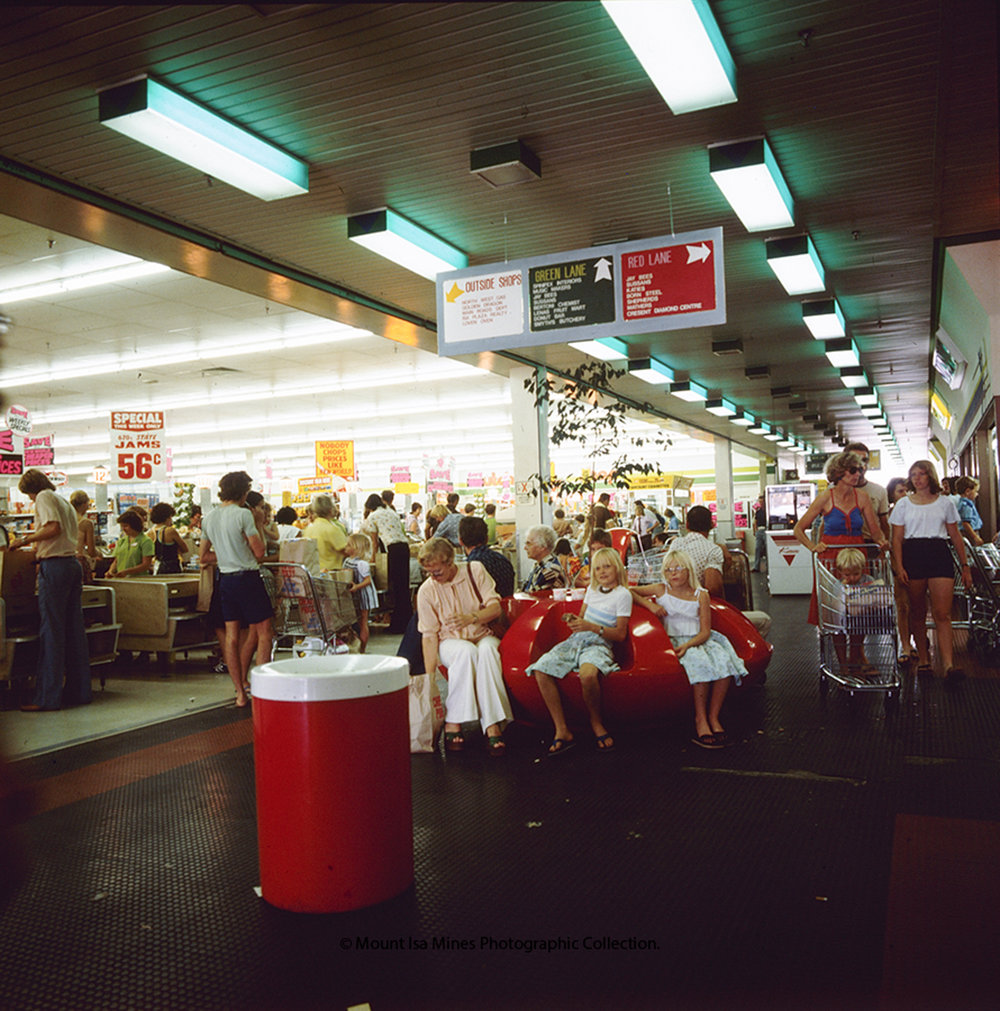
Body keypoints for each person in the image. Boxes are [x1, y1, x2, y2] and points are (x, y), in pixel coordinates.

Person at [631, 548, 746, 749]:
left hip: (697, 640)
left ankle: (714, 715)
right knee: (700, 665)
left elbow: (705, 631)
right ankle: (700, 718)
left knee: (725, 663)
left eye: (678, 568)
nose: (673, 573)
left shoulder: (701, 595)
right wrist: (650, 606)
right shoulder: (661, 589)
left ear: (689, 571)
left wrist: (689, 644)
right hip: (673, 641)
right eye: (668, 570)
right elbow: (629, 590)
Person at [528, 546, 632, 755]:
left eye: (607, 567)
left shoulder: (623, 595)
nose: (602, 572)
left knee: (587, 674)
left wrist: (590, 627)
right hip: (577, 639)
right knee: (540, 669)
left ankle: (596, 722)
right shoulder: (592, 591)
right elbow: (582, 619)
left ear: (617, 569)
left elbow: (620, 634)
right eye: (597, 568)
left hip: (600, 643)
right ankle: (561, 728)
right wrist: (574, 622)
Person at [417, 537, 511, 755]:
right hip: (450, 641)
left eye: (437, 572)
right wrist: (429, 679)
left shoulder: (475, 570)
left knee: (488, 651)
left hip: (482, 633)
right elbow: (429, 636)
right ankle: (454, 719)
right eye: (429, 573)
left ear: (451, 562)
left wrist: (472, 617)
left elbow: (495, 608)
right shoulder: (426, 591)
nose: (433, 577)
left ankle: (491, 722)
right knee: (465, 652)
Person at [7, 470, 91, 712]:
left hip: (54, 566)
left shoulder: (44, 497)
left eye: (29, 495)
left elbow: (52, 528)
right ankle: (79, 691)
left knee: (51, 631)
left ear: (32, 489)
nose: (32, 501)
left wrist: (23, 541)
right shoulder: (63, 500)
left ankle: (47, 698)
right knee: (74, 630)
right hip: (71, 565)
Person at [890, 459, 972, 680]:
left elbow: (955, 536)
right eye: (913, 474)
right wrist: (899, 567)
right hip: (913, 554)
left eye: (922, 474)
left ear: (930, 477)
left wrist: (965, 566)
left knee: (942, 613)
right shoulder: (903, 505)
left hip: (938, 553)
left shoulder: (945, 503)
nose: (917, 478)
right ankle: (925, 660)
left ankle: (948, 664)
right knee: (917, 612)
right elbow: (896, 539)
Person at [198, 471, 273, 708]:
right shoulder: (243, 515)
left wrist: (228, 554)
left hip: (226, 581)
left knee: (231, 638)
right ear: (244, 492)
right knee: (264, 633)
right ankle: (262, 690)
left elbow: (204, 557)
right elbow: (259, 552)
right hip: (248, 578)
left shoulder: (209, 518)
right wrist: (259, 523)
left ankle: (240, 693)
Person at [793, 452, 887, 629]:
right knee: (833, 609)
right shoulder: (825, 497)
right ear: (838, 473)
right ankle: (842, 656)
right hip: (831, 556)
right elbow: (798, 528)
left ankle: (856, 654)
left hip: (857, 555)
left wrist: (882, 541)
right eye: (852, 470)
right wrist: (813, 547)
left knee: (860, 604)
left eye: (859, 470)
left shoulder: (863, 497)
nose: (857, 474)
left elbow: (875, 531)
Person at [675, 505, 772, 637]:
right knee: (763, 620)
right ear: (712, 524)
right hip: (701, 616)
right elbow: (713, 587)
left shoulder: (675, 545)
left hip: (676, 614)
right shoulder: (712, 550)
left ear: (687, 525)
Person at [362, 492, 412, 633]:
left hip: (393, 550)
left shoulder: (373, 516)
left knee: (395, 588)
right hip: (404, 547)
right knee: (404, 587)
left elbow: (374, 542)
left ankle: (397, 625)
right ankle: (406, 622)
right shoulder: (390, 512)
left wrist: (372, 559)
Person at [886, 479, 914, 664]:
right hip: (898, 563)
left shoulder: (916, 512)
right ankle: (905, 644)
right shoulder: (887, 517)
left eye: (906, 491)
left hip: (916, 560)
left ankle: (914, 640)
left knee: (917, 605)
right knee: (902, 606)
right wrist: (897, 568)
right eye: (899, 491)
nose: (904, 494)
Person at [844, 442, 891, 543]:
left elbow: (884, 524)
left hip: (871, 545)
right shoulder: (832, 491)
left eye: (864, 460)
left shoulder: (879, 491)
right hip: (841, 546)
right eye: (855, 460)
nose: (861, 464)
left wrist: (884, 549)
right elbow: (824, 524)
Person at [459, 515, 514, 598]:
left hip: (486, 610)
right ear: (487, 539)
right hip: (507, 608)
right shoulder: (503, 560)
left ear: (461, 541)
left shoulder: (469, 568)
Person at [343, 532, 377, 653]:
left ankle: (362, 648)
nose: (345, 547)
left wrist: (357, 586)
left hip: (364, 595)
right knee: (357, 620)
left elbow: (367, 580)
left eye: (348, 545)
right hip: (354, 594)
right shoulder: (347, 560)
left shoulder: (362, 564)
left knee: (363, 620)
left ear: (356, 548)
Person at [303, 493, 348, 571]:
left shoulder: (308, 529)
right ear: (330, 510)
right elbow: (346, 551)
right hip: (330, 573)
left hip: (313, 573)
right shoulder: (332, 529)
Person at [521, 524, 569, 593]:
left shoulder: (550, 569)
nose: (525, 548)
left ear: (543, 547)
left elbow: (533, 595)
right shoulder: (540, 565)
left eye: (529, 544)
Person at [107, 511, 154, 577]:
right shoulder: (122, 541)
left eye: (126, 526)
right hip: (121, 580)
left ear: (134, 525)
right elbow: (116, 560)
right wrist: (110, 571)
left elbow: (146, 565)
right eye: (122, 526)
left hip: (139, 580)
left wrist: (127, 572)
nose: (123, 529)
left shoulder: (146, 541)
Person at [148, 502, 190, 574]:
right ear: (167, 517)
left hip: (158, 567)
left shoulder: (150, 533)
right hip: (172, 568)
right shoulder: (170, 531)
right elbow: (185, 549)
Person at [69, 490, 101, 563]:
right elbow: (91, 551)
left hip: (63, 561)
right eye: (88, 504)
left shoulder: (64, 520)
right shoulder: (86, 523)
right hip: (78, 561)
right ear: (84, 504)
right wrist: (100, 554)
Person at [954, 476, 984, 546]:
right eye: (975, 491)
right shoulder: (966, 505)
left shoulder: (961, 503)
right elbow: (966, 523)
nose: (977, 494)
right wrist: (975, 537)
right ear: (967, 491)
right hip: (969, 533)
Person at [751, 495, 767, 571]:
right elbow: (755, 522)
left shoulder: (767, 511)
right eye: (760, 501)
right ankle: (756, 567)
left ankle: (768, 566)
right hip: (759, 531)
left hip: (766, 530)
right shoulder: (758, 511)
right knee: (757, 548)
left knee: (767, 549)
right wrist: (754, 531)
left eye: (762, 501)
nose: (761, 503)